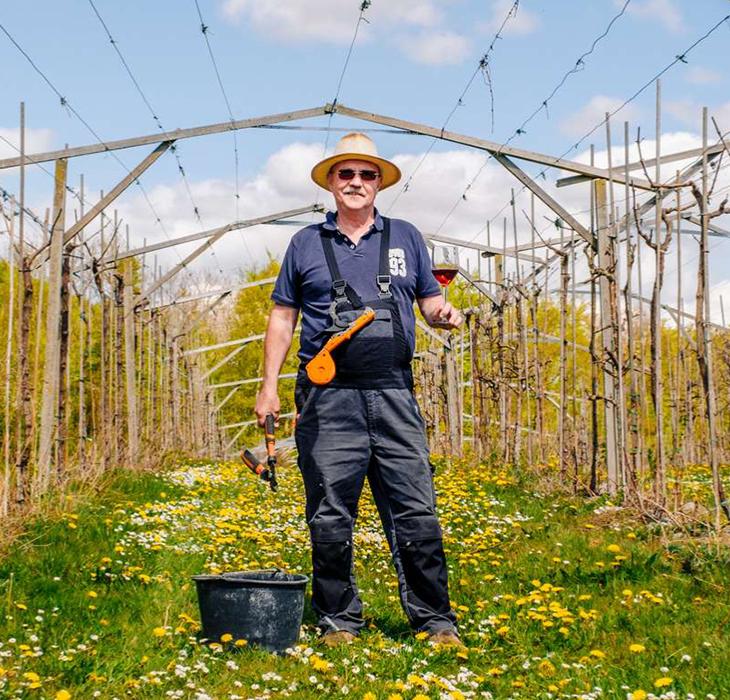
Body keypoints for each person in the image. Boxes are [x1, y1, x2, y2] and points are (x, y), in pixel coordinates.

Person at [255, 132, 464, 648]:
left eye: (366, 174)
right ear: (331, 182)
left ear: (379, 184)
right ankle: (338, 621)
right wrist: (268, 388)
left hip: (394, 394)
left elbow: (430, 302)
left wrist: (442, 315)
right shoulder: (306, 243)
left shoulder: (406, 237)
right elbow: (283, 317)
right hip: (328, 400)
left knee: (415, 508)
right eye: (345, 174)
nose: (355, 183)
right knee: (329, 512)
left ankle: (434, 621)